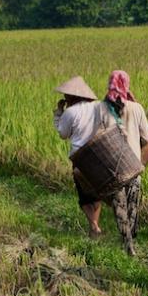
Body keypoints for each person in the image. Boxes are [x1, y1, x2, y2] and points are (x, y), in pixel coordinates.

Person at [96, 70, 148, 256]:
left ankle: (127, 243)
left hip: (113, 167)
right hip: (133, 165)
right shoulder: (136, 108)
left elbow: (96, 137)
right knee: (133, 204)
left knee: (119, 206)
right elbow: (147, 137)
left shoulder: (101, 109)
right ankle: (132, 237)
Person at [53, 76, 104, 239]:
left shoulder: (70, 112)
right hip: (98, 154)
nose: (65, 97)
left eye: (67, 95)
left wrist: (58, 113)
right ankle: (93, 228)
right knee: (96, 194)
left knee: (83, 197)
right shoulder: (98, 107)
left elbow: (63, 134)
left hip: (80, 157)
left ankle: (94, 226)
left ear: (71, 96)